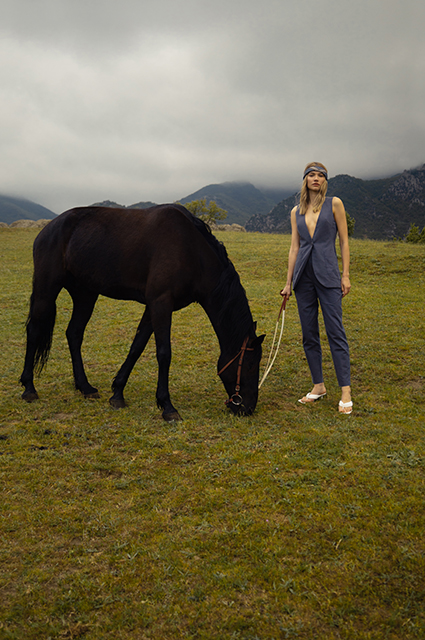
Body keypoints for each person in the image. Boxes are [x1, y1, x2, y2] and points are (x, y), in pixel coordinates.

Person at [280, 162, 353, 414]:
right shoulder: (295, 211)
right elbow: (294, 248)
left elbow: (344, 241)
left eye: (320, 175)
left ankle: (345, 390)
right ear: (305, 179)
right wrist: (288, 282)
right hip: (304, 280)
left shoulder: (335, 204)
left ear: (325, 181)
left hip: (329, 276)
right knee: (309, 334)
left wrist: (345, 275)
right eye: (311, 175)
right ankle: (318, 386)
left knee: (335, 332)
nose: (316, 178)